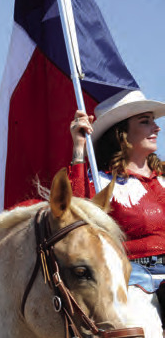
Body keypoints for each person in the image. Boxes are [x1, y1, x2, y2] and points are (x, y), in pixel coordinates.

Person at [68, 89, 165, 327]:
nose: (157, 128)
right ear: (122, 134)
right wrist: (79, 147)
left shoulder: (163, 179)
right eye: (145, 122)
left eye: (153, 121)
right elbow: (76, 214)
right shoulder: (102, 183)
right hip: (132, 277)